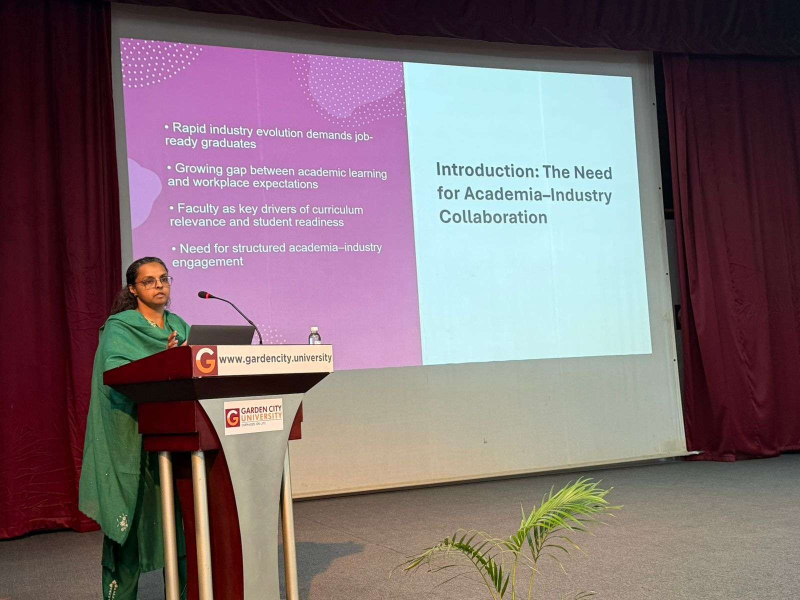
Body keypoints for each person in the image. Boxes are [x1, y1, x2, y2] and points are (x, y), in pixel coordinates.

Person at [79, 257, 190, 600]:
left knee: (182, 524)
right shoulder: (121, 326)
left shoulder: (179, 326)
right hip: (128, 434)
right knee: (128, 525)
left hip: (175, 434)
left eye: (163, 279)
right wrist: (163, 360)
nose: (159, 286)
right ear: (133, 289)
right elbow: (116, 375)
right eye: (149, 281)